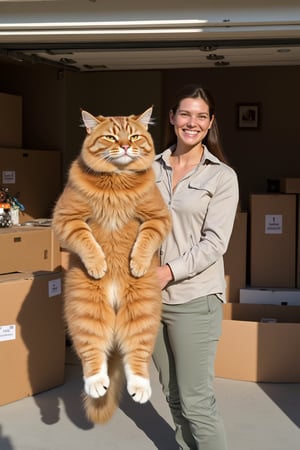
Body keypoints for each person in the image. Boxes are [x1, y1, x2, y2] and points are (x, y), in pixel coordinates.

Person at [152, 84, 239, 450]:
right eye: (185, 114)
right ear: (172, 119)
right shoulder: (147, 167)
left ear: (210, 123)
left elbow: (215, 244)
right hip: (149, 299)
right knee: (171, 393)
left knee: (196, 402)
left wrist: (166, 272)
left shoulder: (221, 177)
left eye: (201, 116)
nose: (193, 122)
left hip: (194, 298)